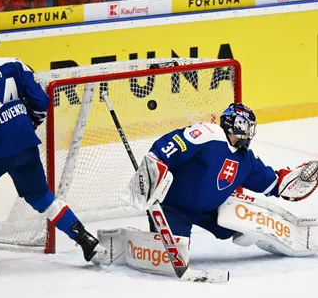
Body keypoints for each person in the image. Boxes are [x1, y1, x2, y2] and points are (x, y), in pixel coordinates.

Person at [0, 26, 107, 274]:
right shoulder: (14, 64)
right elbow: (41, 102)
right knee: (42, 198)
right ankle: (88, 242)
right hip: (25, 144)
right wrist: (29, 122)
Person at [106, 102, 318, 273]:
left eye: (250, 128)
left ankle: (282, 237)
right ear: (232, 123)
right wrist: (153, 165)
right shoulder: (208, 135)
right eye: (245, 126)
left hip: (210, 211)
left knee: (244, 218)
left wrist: (289, 183)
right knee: (170, 260)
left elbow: (270, 183)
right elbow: (170, 145)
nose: (248, 133)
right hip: (173, 209)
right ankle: (124, 242)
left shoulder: (246, 161)